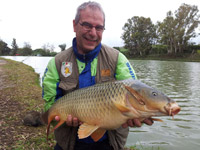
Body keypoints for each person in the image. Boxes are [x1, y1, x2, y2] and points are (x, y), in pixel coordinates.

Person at [42, 1, 153, 150]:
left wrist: (135, 115)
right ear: (75, 25)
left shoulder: (118, 59)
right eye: (87, 25)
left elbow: (136, 92)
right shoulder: (56, 63)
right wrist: (59, 118)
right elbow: (50, 104)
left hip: (108, 142)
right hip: (69, 143)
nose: (93, 33)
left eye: (99, 27)